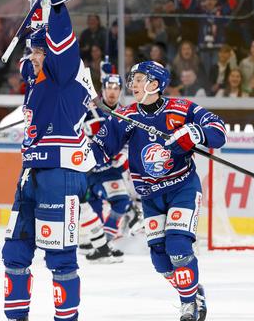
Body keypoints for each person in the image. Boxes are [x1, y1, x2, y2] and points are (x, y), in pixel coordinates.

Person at [92, 61, 227, 321]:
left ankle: (188, 304)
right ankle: (193, 292)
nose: (133, 84)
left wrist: (195, 133)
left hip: (182, 188)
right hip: (150, 196)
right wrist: (79, 151)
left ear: (155, 84)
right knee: (161, 261)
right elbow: (101, 149)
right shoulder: (126, 115)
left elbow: (218, 130)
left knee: (178, 246)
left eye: (139, 79)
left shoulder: (181, 108)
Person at [1, 0, 97, 321]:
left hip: (61, 172)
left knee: (59, 258)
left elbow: (63, 44)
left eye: (37, 51)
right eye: (30, 51)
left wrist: (56, 3)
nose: (31, 57)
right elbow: (39, 45)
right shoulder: (38, 78)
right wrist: (37, 8)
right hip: (31, 173)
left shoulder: (64, 73)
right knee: (14, 252)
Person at [79, 67, 132, 264]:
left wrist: (123, 155)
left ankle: (105, 243)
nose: (112, 91)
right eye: (108, 87)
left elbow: (128, 140)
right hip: (88, 168)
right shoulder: (88, 111)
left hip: (110, 170)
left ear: (120, 91)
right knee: (91, 205)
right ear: (102, 89)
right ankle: (97, 243)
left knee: (121, 201)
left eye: (116, 88)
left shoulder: (125, 114)